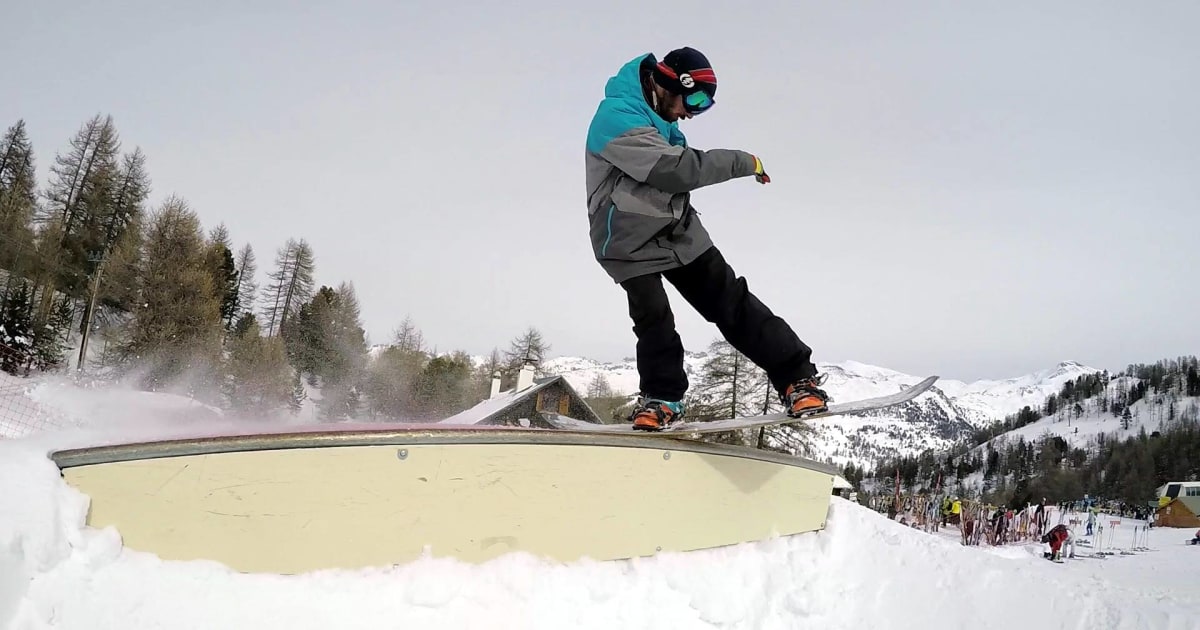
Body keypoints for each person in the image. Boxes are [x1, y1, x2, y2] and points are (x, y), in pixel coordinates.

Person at [583, 47, 828, 430]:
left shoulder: (663, 124)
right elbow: (676, 171)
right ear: (669, 83)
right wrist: (746, 161)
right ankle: (662, 399)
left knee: (730, 300)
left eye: (704, 106)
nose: (691, 113)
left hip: (676, 232)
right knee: (654, 317)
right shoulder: (616, 118)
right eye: (694, 99)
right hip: (627, 241)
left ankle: (797, 379)